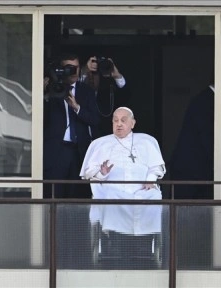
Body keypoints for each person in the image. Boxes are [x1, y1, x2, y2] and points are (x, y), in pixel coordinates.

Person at [80, 107, 166, 235]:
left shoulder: (146, 141)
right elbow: (88, 172)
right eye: (115, 121)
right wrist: (102, 173)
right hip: (114, 193)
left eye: (123, 120)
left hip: (142, 191)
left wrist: (150, 180)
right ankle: (113, 238)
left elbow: (156, 167)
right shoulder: (100, 144)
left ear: (132, 123)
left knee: (154, 196)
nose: (119, 124)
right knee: (109, 197)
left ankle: (147, 241)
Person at [43, 53, 100, 199]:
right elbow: (38, 117)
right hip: (57, 149)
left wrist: (77, 108)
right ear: (61, 70)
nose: (74, 72)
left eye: (76, 68)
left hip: (79, 150)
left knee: (77, 196)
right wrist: (42, 92)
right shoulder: (51, 89)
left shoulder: (86, 91)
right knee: (54, 195)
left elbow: (95, 119)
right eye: (69, 68)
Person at [170, 84, 215, 199]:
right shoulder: (205, 101)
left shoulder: (204, 99)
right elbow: (207, 137)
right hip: (191, 171)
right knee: (185, 212)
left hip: (195, 170)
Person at [81, 56, 130, 138]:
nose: (93, 78)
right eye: (91, 74)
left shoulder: (107, 93)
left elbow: (126, 95)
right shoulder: (80, 89)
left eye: (96, 74)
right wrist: (85, 71)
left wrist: (116, 75)